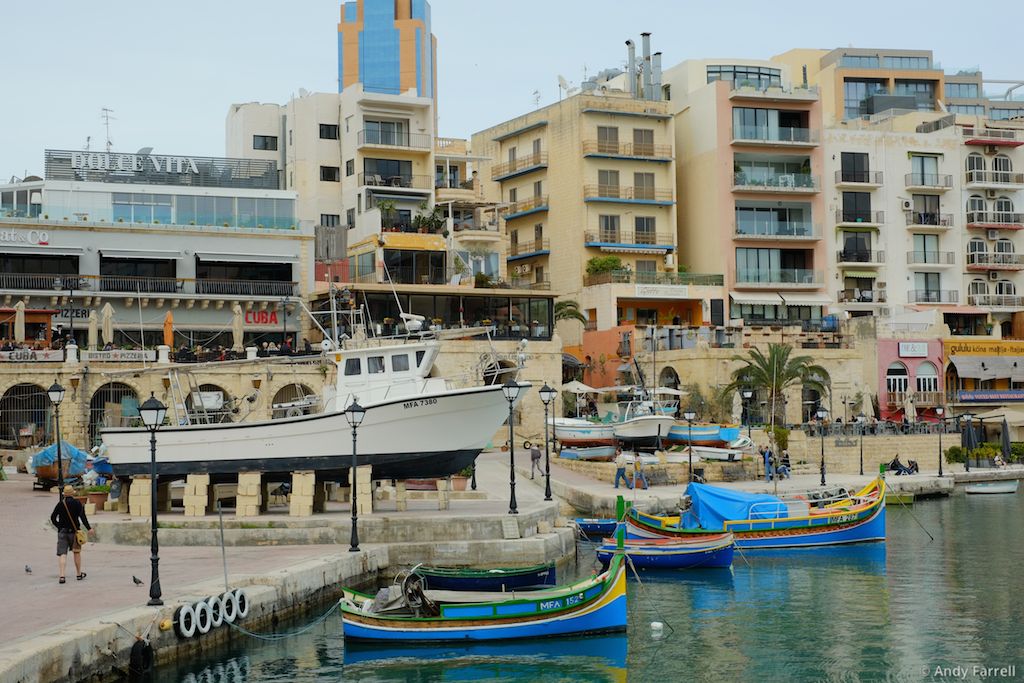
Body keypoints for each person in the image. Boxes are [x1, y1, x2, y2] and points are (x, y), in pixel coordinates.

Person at [50, 484, 93, 583]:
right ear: (72, 493)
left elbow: (53, 517)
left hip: (62, 532)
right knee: (76, 552)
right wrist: (89, 528)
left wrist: (59, 526)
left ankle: (62, 576)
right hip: (74, 532)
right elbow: (83, 517)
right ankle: (78, 574)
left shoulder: (60, 504)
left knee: (62, 554)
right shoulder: (77, 503)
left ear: (64, 494)